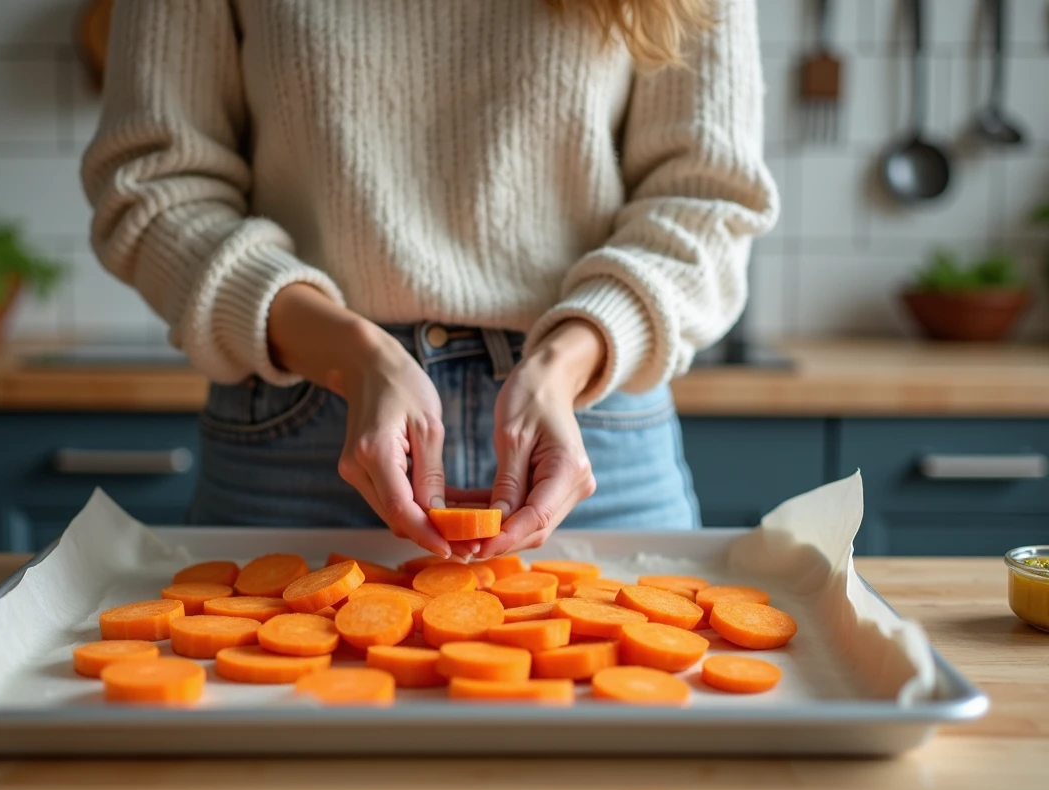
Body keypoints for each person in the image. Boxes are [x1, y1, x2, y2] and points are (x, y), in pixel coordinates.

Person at [82, 0, 777, 560]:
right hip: (300, 431)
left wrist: (566, 363)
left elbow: (708, 201)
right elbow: (155, 185)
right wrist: (353, 357)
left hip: (593, 427)